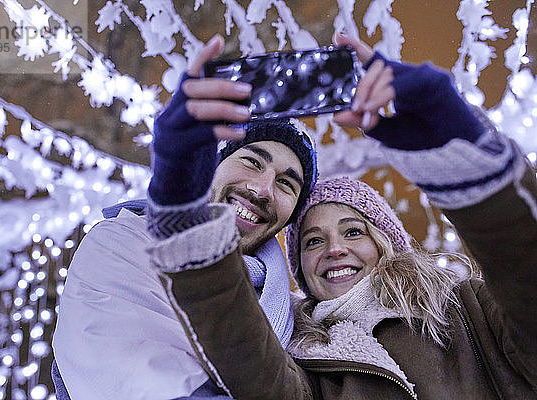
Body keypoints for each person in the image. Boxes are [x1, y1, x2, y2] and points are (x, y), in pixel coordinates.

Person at [147, 34, 537, 399]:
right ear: (298, 266)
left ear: (385, 243)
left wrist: (466, 155)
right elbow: (238, 348)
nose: (334, 249)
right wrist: (181, 195)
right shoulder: (303, 360)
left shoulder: (469, 310)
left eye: (353, 232)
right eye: (313, 240)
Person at [51, 34, 318, 400]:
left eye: (287, 183)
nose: (262, 190)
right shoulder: (121, 243)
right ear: (212, 164)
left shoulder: (288, 306)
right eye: (252, 161)